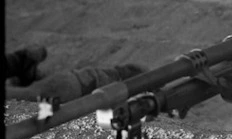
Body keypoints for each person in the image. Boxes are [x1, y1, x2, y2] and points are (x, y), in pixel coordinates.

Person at [5, 45, 145, 104]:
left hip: (73, 86)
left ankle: (22, 63)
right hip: (75, 84)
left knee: (33, 96)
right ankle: (23, 64)